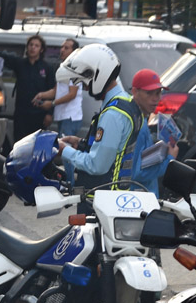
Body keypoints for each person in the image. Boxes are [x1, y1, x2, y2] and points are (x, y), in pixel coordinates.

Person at [54, 44, 176, 196]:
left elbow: (97, 165)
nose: (84, 88)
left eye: (85, 82)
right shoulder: (125, 103)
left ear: (99, 75)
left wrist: (64, 150)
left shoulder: (113, 114)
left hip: (104, 199)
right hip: (115, 199)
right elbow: (117, 150)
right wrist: (81, 143)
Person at [32, 39, 83, 177]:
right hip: (63, 116)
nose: (62, 50)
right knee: (64, 153)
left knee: (67, 154)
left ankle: (71, 184)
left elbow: (72, 94)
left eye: (66, 48)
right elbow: (57, 90)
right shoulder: (64, 67)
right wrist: (42, 95)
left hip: (70, 116)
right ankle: (69, 182)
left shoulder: (74, 68)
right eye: (61, 47)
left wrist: (52, 104)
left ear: (74, 51)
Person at [0, 34, 55, 141]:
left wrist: (49, 114)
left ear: (41, 49)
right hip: (21, 113)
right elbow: (2, 56)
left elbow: (53, 91)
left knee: (36, 145)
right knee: (19, 143)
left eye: (36, 46)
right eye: (31, 45)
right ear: (27, 47)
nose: (33, 48)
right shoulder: (20, 63)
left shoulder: (47, 67)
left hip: (39, 114)